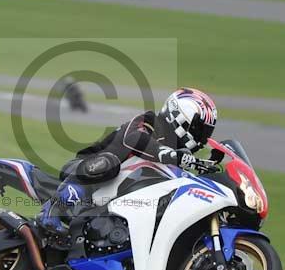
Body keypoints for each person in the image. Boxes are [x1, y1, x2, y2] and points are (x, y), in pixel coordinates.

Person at [37, 87, 218, 238]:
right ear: (179, 116)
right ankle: (52, 211)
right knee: (108, 163)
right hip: (83, 168)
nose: (202, 138)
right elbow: (135, 139)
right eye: (199, 130)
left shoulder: (174, 155)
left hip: (113, 196)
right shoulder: (149, 121)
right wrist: (169, 155)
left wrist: (212, 165)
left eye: (206, 133)